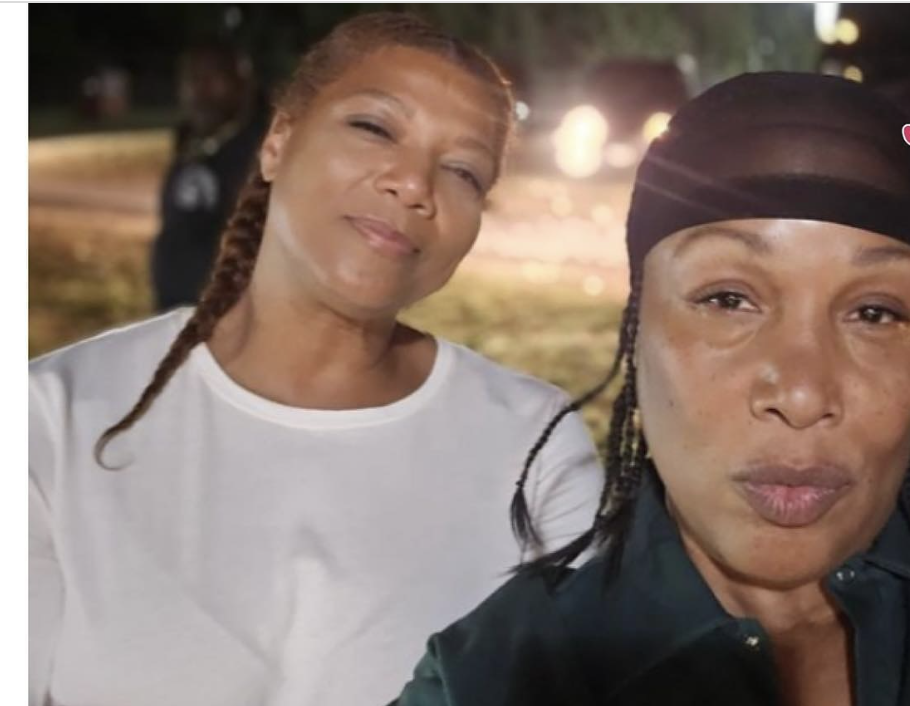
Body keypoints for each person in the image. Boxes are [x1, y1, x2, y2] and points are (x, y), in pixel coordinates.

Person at [395, 72, 910, 706]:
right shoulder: (492, 678)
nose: (801, 393)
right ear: (637, 329)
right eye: (729, 299)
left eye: (874, 312)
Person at [29, 13, 602, 706]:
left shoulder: (533, 445)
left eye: (462, 170)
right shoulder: (53, 418)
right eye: (375, 128)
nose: (413, 183)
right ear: (278, 141)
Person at [152, 40, 269, 311]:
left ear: (242, 84)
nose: (197, 90)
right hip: (173, 311)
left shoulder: (262, 155)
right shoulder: (192, 145)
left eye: (211, 78)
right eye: (191, 79)